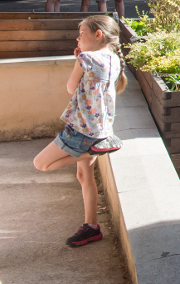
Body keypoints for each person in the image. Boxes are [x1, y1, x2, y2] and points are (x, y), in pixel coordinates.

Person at [33, 15, 125, 247]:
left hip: (82, 130)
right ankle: (92, 227)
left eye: (82, 33)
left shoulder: (85, 57)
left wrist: (78, 62)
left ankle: (99, 150)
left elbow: (70, 87)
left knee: (41, 164)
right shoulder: (114, 58)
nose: (78, 37)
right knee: (84, 176)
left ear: (98, 35)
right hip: (100, 129)